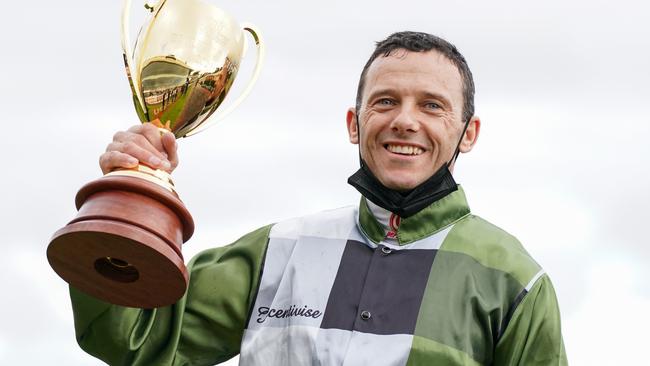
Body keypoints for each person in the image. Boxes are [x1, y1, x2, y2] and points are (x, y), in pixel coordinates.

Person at [70, 31, 567, 365]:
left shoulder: (517, 282)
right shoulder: (277, 250)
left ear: (468, 133)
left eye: (432, 106)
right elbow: (131, 339)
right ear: (355, 123)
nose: (405, 121)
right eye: (385, 101)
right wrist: (124, 194)